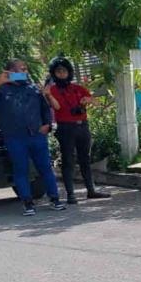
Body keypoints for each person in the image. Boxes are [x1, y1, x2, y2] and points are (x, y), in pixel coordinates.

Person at [0, 59, 64, 216]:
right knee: (21, 170)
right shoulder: (1, 89)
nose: (24, 71)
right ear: (10, 72)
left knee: (45, 168)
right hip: (15, 138)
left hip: (37, 136)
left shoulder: (33, 88)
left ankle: (55, 199)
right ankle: (27, 203)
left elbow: (45, 108)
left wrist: (48, 125)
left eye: (25, 68)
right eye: (20, 69)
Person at [44, 56, 111, 204]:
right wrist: (48, 95)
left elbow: (96, 102)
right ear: (54, 73)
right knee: (68, 160)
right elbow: (57, 108)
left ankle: (91, 191)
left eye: (64, 71)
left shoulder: (77, 88)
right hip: (66, 128)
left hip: (82, 126)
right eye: (58, 71)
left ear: (69, 72)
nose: (61, 74)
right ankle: (70, 195)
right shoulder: (53, 90)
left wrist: (89, 100)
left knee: (85, 160)